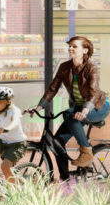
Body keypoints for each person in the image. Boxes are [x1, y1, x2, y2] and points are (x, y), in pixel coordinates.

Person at [36, 34, 105, 178]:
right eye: (70, 46)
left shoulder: (91, 67)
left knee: (69, 114)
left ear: (85, 50)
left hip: (96, 107)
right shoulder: (64, 67)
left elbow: (94, 92)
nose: (70, 48)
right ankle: (65, 178)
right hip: (77, 109)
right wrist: (39, 107)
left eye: (75, 46)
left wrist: (85, 111)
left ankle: (86, 151)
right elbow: (52, 89)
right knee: (57, 142)